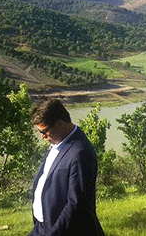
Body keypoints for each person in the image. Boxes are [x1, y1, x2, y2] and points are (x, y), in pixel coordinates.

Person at [29, 99, 105, 236]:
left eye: (44, 131)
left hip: (63, 231)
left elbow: (77, 204)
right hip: (42, 228)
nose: (42, 136)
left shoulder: (80, 152)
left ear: (60, 123)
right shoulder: (58, 144)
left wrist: (53, 233)